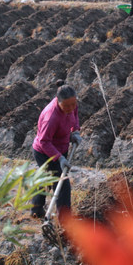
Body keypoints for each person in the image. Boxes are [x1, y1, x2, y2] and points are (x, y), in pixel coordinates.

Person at [31, 81, 82, 219]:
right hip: (45, 152)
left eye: (73, 104)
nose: (71, 108)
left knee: (45, 177)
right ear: (58, 102)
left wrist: (75, 131)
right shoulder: (51, 117)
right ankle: (65, 219)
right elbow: (44, 141)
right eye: (66, 106)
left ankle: (36, 209)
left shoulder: (71, 105)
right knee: (62, 181)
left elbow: (75, 114)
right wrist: (59, 158)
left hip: (61, 146)